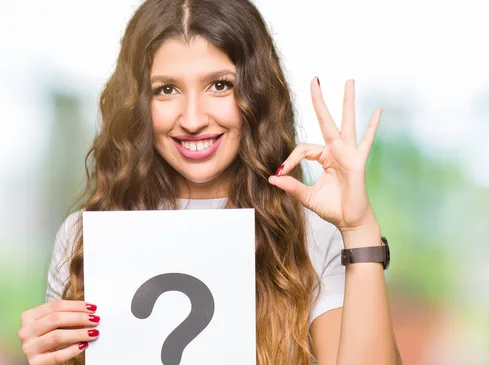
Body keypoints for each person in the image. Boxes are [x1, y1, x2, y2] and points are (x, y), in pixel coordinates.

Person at [18, 0, 402, 364]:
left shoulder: (309, 235)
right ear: (137, 104)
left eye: (219, 85)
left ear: (255, 93)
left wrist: (359, 228)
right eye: (166, 89)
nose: (193, 118)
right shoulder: (85, 239)